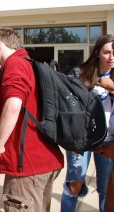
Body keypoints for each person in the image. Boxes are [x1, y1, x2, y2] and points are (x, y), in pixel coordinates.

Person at [0, 27, 64, 212]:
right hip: (43, 160)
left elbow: (13, 105)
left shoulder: (15, 64)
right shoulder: (31, 64)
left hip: (26, 167)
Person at [61, 34, 114, 212]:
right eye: (107, 52)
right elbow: (68, 105)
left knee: (107, 188)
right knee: (74, 185)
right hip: (82, 139)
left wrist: (112, 87)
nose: (111, 57)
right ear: (97, 52)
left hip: (108, 139)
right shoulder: (80, 73)